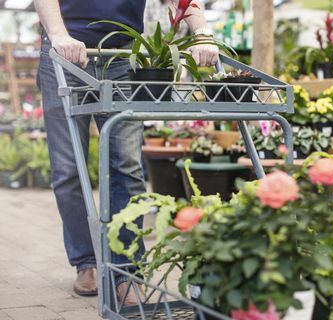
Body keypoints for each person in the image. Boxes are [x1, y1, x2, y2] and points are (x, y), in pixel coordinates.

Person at [33, 0, 218, 303]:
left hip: (122, 56)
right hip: (61, 51)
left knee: (127, 167)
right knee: (68, 169)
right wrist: (58, 34)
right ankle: (86, 262)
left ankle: (126, 272)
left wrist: (203, 33)